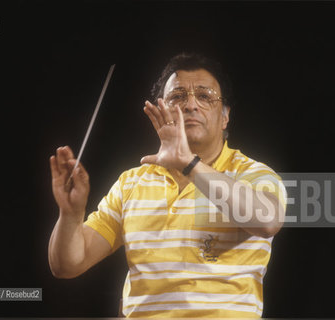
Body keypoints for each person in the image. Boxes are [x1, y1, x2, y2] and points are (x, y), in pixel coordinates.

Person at [48, 53, 287, 318]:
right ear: (160, 110)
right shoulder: (131, 182)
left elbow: (267, 221)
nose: (191, 105)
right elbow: (67, 264)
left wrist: (188, 163)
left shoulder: (253, 174)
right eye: (177, 96)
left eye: (205, 96)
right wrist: (70, 214)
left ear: (225, 117)